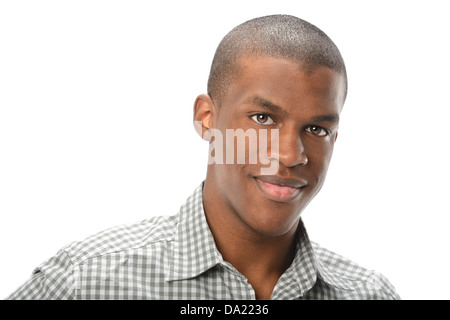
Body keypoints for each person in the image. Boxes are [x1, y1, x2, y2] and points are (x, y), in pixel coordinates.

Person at [6, 14, 400, 300]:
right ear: (207, 119)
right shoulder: (86, 281)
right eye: (263, 118)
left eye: (317, 129)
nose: (289, 154)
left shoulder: (369, 294)